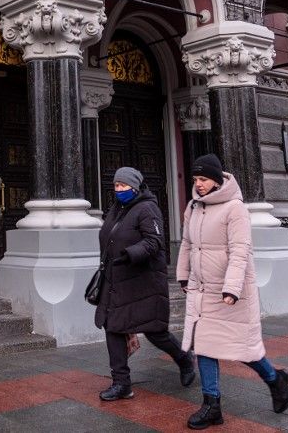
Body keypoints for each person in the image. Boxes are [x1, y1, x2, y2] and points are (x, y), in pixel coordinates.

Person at [177, 153, 288, 429]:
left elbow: (240, 251)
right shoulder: (193, 206)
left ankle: (275, 379)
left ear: (217, 181)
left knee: (242, 349)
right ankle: (212, 405)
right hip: (202, 290)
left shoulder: (235, 208)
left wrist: (231, 287)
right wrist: (183, 275)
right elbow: (187, 244)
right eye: (195, 179)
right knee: (204, 346)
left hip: (229, 292)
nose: (198, 184)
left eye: (203, 179)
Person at [95, 166, 196, 401]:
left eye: (123, 185)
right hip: (117, 279)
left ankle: (184, 359)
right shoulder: (117, 209)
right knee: (113, 327)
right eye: (116, 185)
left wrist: (130, 253)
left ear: (135, 187)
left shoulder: (147, 208)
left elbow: (154, 241)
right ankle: (121, 383)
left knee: (155, 332)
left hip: (144, 282)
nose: (119, 189)